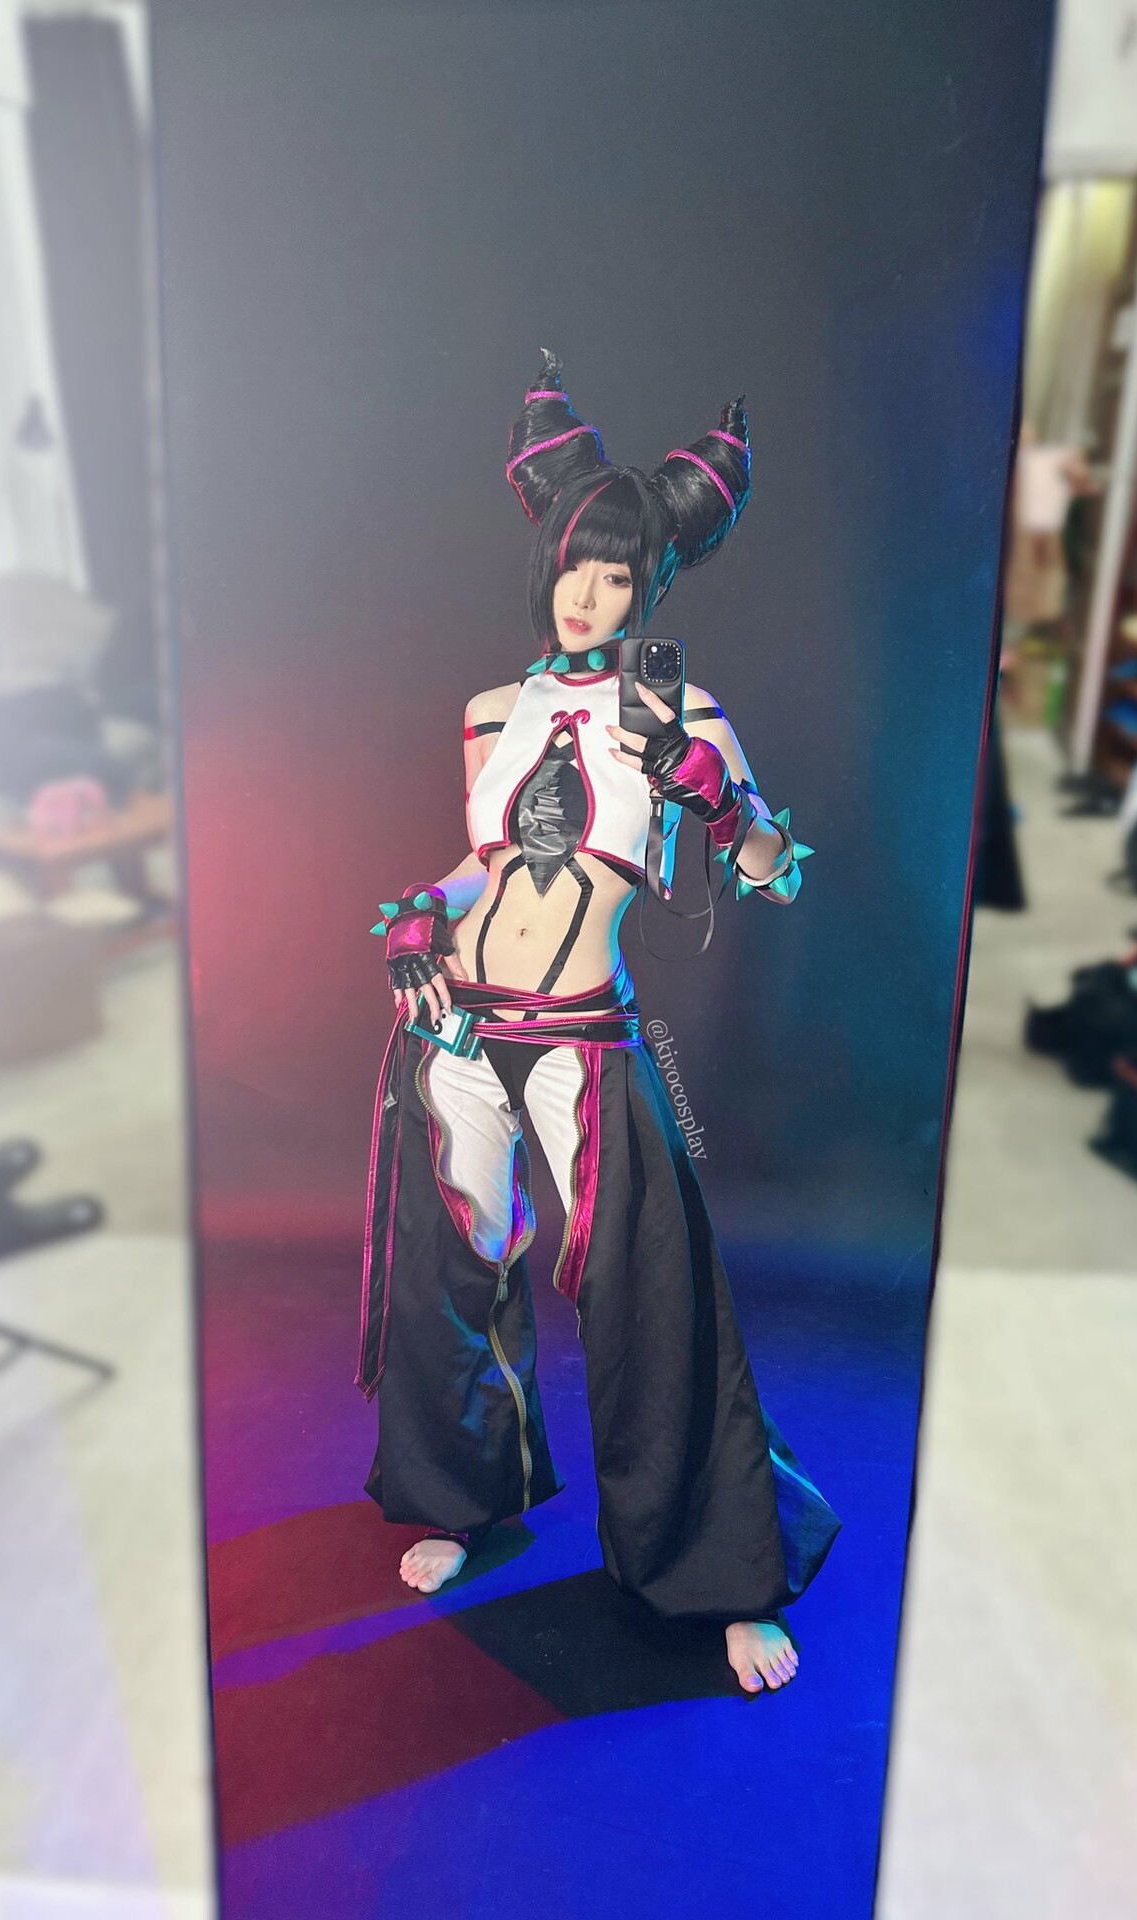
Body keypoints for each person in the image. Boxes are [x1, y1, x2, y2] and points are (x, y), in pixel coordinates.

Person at [358, 352, 839, 1696]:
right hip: (458, 1032)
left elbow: (774, 876)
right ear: (549, 564)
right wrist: (418, 914)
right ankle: (464, 1502)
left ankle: (726, 1574)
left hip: (589, 1035)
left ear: (649, 587)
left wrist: (716, 797)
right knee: (450, 1277)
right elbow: (483, 870)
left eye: (618, 575)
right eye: (577, 564)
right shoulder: (490, 712)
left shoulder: (685, 712)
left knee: (652, 1299)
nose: (589, 592)